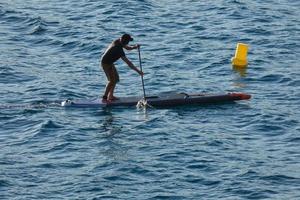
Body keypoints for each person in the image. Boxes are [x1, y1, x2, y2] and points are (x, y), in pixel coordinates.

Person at [101, 33, 143, 102]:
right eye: (128, 41)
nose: (128, 43)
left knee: (116, 79)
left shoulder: (119, 41)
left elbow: (127, 48)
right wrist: (139, 72)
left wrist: (135, 47)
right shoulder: (118, 49)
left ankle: (110, 96)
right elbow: (129, 63)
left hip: (110, 62)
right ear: (124, 40)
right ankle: (104, 98)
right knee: (111, 81)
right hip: (106, 63)